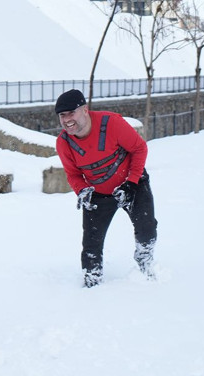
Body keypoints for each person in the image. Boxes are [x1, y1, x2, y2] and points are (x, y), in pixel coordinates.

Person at [54, 89, 158, 286]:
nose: (67, 119)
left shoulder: (111, 123)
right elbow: (73, 174)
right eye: (62, 115)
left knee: (147, 229)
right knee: (91, 246)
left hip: (132, 184)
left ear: (85, 110)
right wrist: (82, 190)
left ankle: (145, 264)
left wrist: (131, 182)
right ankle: (92, 283)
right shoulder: (64, 143)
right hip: (98, 194)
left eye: (71, 113)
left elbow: (139, 148)